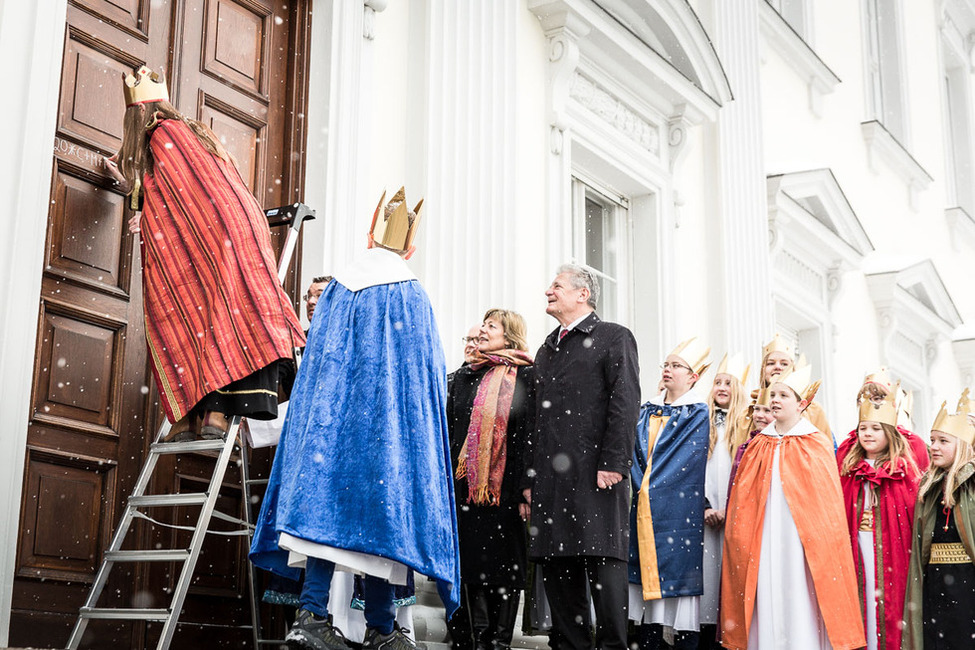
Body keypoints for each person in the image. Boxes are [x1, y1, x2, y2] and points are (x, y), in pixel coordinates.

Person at [250, 188, 460, 650]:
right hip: (384, 433)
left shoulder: (339, 290)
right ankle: (383, 629)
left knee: (324, 523)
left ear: (369, 234)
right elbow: (422, 376)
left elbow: (319, 367)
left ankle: (311, 615)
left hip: (333, 431)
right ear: (410, 248)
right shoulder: (411, 295)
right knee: (379, 527)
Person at [109, 65, 304, 441]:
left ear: (139, 115)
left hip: (216, 234)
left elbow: (180, 194)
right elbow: (174, 190)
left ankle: (197, 412)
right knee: (216, 315)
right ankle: (205, 413)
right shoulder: (193, 133)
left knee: (185, 312)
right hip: (234, 231)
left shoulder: (164, 135)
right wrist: (143, 203)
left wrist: (150, 216)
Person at [523, 263, 640, 650]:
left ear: (582, 294)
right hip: (552, 487)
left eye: (556, 285)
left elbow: (624, 403)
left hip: (596, 477)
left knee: (605, 577)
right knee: (560, 581)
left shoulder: (613, 337)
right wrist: (529, 481)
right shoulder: (547, 348)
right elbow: (534, 420)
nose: (547, 292)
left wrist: (614, 462)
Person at [721, 365, 865, 650]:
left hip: (800, 541)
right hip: (763, 536)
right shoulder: (758, 444)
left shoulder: (815, 443)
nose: (774, 399)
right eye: (772, 393)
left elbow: (826, 505)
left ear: (801, 403)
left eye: (783, 395)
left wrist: (814, 535)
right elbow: (743, 499)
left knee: (799, 593)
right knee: (765, 591)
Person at [446, 309, 535, 650]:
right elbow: (452, 433)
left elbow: (529, 434)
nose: (482, 331)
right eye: (482, 325)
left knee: (505, 568)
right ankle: (477, 637)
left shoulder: (526, 377)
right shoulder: (465, 377)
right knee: (470, 565)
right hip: (466, 490)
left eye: (491, 326)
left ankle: (499, 641)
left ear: (509, 336)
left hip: (506, 491)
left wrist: (526, 486)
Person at [628, 338, 711, 650]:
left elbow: (686, 459)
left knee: (673, 577)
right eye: (666, 364)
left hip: (676, 508)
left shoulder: (696, 413)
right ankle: (646, 639)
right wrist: (641, 483)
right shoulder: (645, 409)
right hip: (642, 501)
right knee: (643, 585)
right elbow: (635, 452)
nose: (668, 370)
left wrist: (654, 484)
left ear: (693, 376)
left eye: (677, 365)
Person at [837, 384, 926, 650]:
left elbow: (912, 512)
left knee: (891, 599)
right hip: (857, 544)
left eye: (876, 429)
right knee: (860, 595)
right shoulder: (849, 468)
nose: (868, 434)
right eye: (863, 428)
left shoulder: (904, 470)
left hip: (892, 549)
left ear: (890, 433)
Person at [903, 393, 975, 650]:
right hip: (935, 583)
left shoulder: (973, 486)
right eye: (932, 440)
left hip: (968, 584)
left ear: (964, 446)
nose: (933, 446)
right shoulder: (929, 487)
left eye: (943, 441)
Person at [700, 353, 749, 649]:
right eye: (717, 382)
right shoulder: (702, 424)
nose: (721, 387)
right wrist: (705, 507)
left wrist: (729, 509)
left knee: (730, 579)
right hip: (703, 514)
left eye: (728, 383)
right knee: (705, 583)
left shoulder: (744, 427)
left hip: (733, 513)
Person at [758, 334, 831, 440]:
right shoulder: (751, 410)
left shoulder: (813, 410)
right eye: (771, 363)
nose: (777, 367)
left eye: (784, 364)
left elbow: (824, 446)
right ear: (763, 370)